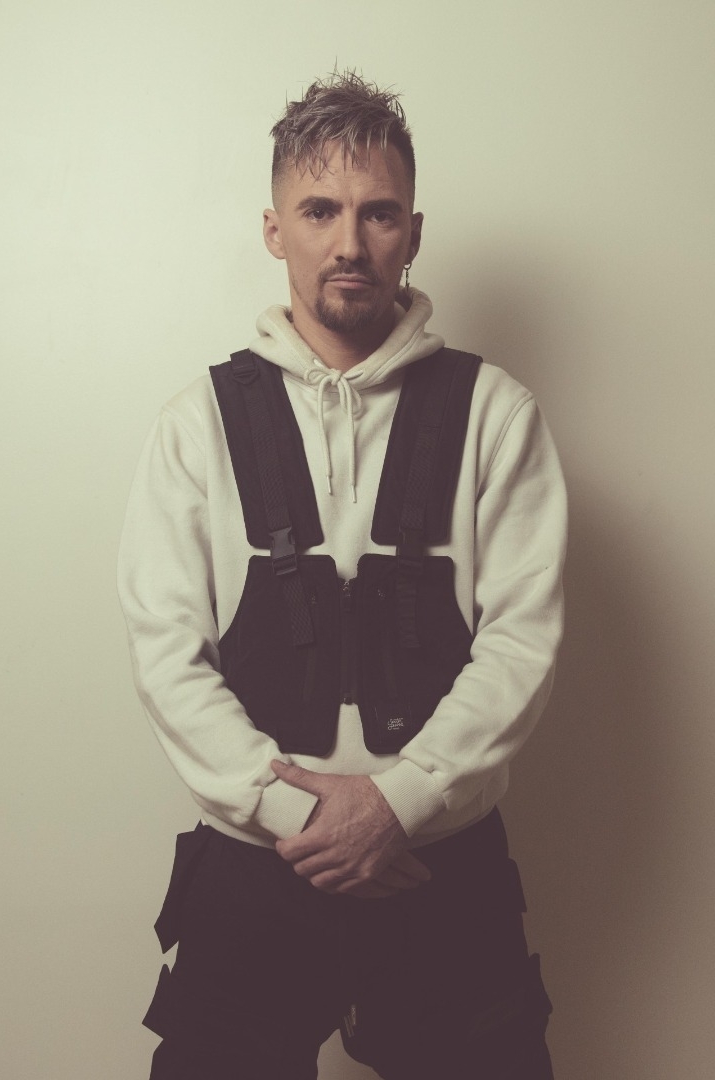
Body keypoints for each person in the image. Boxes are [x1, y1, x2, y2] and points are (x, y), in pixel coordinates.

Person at [118, 70, 567, 1080]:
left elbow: (521, 643)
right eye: (319, 210)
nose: (349, 242)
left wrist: (397, 803)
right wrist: (309, 818)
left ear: (414, 231)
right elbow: (166, 655)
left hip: (439, 868)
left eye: (378, 213)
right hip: (255, 866)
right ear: (274, 229)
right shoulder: (196, 426)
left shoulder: (498, 415)